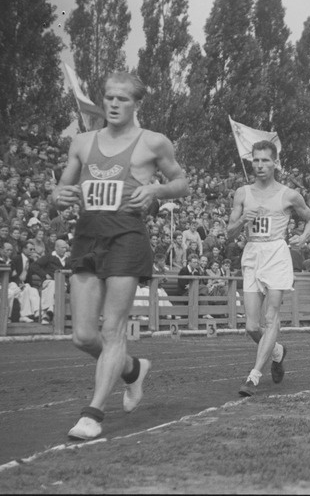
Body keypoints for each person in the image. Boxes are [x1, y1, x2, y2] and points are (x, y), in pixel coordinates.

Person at [52, 71, 189, 440]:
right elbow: (63, 187)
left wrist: (157, 191)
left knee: (112, 329)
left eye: (123, 99)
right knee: (83, 335)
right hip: (87, 238)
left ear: (137, 104)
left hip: (127, 238)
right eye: (109, 97)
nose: (113, 104)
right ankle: (132, 370)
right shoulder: (82, 142)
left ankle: (93, 413)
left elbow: (183, 182)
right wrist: (58, 195)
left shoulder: (154, 143)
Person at [227, 140, 310, 396]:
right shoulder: (242, 193)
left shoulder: (289, 194)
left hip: (277, 253)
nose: (259, 165)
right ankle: (277, 352)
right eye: (255, 160)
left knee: (272, 316)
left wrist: (303, 237)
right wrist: (242, 220)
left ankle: (254, 376)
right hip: (253, 253)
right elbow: (229, 234)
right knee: (252, 327)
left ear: (275, 163)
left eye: (265, 160)